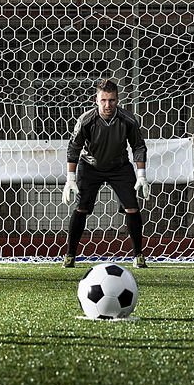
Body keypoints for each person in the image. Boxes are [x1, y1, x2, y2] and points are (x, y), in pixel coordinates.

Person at [62, 79, 150, 268]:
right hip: (90, 166)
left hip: (119, 167)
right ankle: (70, 255)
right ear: (96, 100)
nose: (107, 104)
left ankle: (138, 256)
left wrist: (141, 175)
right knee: (81, 209)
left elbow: (138, 146)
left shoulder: (128, 119)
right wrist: (70, 179)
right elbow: (73, 148)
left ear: (117, 100)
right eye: (103, 100)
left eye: (111, 100)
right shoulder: (86, 119)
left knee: (132, 208)